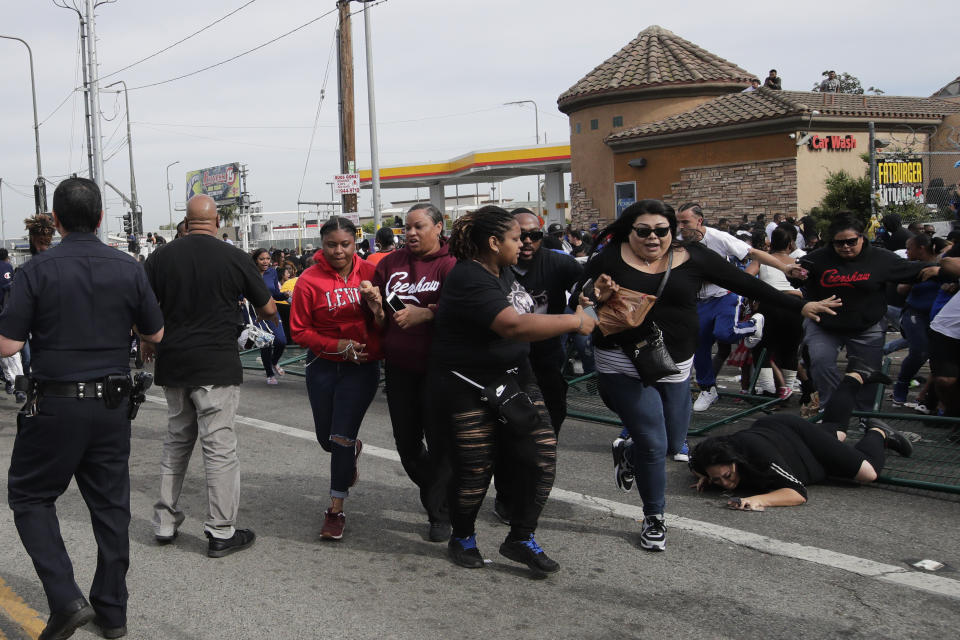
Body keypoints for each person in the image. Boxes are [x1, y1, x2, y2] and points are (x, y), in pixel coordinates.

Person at [587, 199, 837, 551]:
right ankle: (654, 517)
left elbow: (746, 284)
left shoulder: (694, 256)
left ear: (672, 230)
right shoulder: (610, 258)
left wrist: (802, 304)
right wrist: (594, 297)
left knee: (674, 442)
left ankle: (630, 454)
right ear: (630, 231)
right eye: (644, 231)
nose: (653, 237)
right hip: (621, 360)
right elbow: (578, 297)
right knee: (655, 443)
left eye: (662, 230)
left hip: (674, 362)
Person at [1, 177, 164, 640]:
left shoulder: (35, 270)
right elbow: (155, 334)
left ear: (54, 221)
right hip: (112, 404)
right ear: (100, 217)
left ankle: (66, 597)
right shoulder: (129, 267)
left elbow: (9, 342)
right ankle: (112, 612)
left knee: (31, 497)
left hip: (55, 403)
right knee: (111, 508)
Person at [429, 205, 595, 575]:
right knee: (476, 467)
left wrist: (580, 306)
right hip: (468, 385)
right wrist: (575, 322)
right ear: (493, 242)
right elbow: (513, 326)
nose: (522, 244)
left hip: (516, 378)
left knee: (542, 455)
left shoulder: (502, 271)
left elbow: (530, 311)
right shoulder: (469, 276)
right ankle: (464, 537)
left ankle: (520, 537)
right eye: (516, 238)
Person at [144, 194, 275, 559]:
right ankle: (220, 531)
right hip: (216, 365)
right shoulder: (233, 257)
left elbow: (140, 306)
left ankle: (165, 523)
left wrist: (145, 339)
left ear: (185, 221)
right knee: (218, 448)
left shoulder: (160, 257)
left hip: (173, 364)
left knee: (176, 442)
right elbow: (265, 306)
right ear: (217, 221)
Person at [689, 362, 913, 510]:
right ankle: (855, 377)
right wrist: (705, 476)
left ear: (735, 462)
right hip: (779, 437)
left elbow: (797, 493)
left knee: (868, 473)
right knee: (837, 432)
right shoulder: (706, 461)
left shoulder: (760, 456)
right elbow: (696, 462)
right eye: (718, 479)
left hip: (792, 432)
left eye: (727, 475)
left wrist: (757, 500)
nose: (726, 484)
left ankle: (878, 431)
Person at [290, 216, 385, 541]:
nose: (339, 251)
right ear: (322, 245)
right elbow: (299, 330)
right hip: (322, 366)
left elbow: (398, 311)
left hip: (362, 369)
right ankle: (349, 452)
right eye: (331, 245)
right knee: (327, 439)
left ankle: (335, 510)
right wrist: (336, 346)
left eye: (345, 244)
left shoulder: (374, 273)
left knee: (341, 436)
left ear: (355, 242)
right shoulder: (308, 280)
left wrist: (379, 309)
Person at [490, 208, 585, 523]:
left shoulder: (558, 262)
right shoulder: (492, 268)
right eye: (520, 236)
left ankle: (528, 496)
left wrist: (587, 304)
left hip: (546, 364)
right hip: (505, 365)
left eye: (534, 235)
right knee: (507, 435)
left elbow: (590, 287)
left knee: (543, 436)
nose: (527, 242)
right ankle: (506, 496)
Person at [800, 215, 946, 409]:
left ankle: (865, 416)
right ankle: (832, 409)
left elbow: (910, 269)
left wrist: (939, 269)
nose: (845, 247)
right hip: (825, 324)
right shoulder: (816, 259)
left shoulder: (880, 258)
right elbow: (796, 275)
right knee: (821, 362)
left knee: (867, 372)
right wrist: (793, 274)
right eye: (839, 243)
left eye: (851, 242)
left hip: (866, 325)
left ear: (861, 237)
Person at [372, 203, 456, 541]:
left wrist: (428, 313)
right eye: (406, 227)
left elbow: (463, 309)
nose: (410, 233)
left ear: (438, 227)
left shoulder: (452, 264)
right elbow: (379, 319)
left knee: (440, 443)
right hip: (399, 368)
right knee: (406, 443)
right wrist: (376, 307)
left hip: (440, 369)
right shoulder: (390, 264)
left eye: (418, 226)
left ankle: (440, 512)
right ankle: (443, 491)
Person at [675, 203, 806, 412]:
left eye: (685, 222)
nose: (681, 227)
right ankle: (708, 389)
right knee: (699, 344)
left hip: (725, 295)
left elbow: (753, 253)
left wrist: (784, 267)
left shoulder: (718, 238)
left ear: (699, 221)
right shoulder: (677, 242)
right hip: (699, 301)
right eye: (678, 222)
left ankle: (753, 325)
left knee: (724, 335)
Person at [890, 233, 940, 406]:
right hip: (915, 314)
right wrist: (914, 280)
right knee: (919, 350)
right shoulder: (913, 267)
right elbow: (901, 289)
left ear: (921, 248)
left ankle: (929, 397)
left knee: (939, 357)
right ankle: (901, 386)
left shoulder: (944, 264)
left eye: (909, 248)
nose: (907, 251)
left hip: (939, 317)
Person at [252, 247, 288, 384]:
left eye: (267, 258)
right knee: (265, 342)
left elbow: (276, 293)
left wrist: (284, 295)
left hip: (272, 310)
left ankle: (274, 362)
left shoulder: (272, 273)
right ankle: (269, 374)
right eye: (262, 259)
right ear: (256, 260)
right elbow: (242, 291)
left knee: (281, 341)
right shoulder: (249, 273)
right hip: (256, 312)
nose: (265, 261)